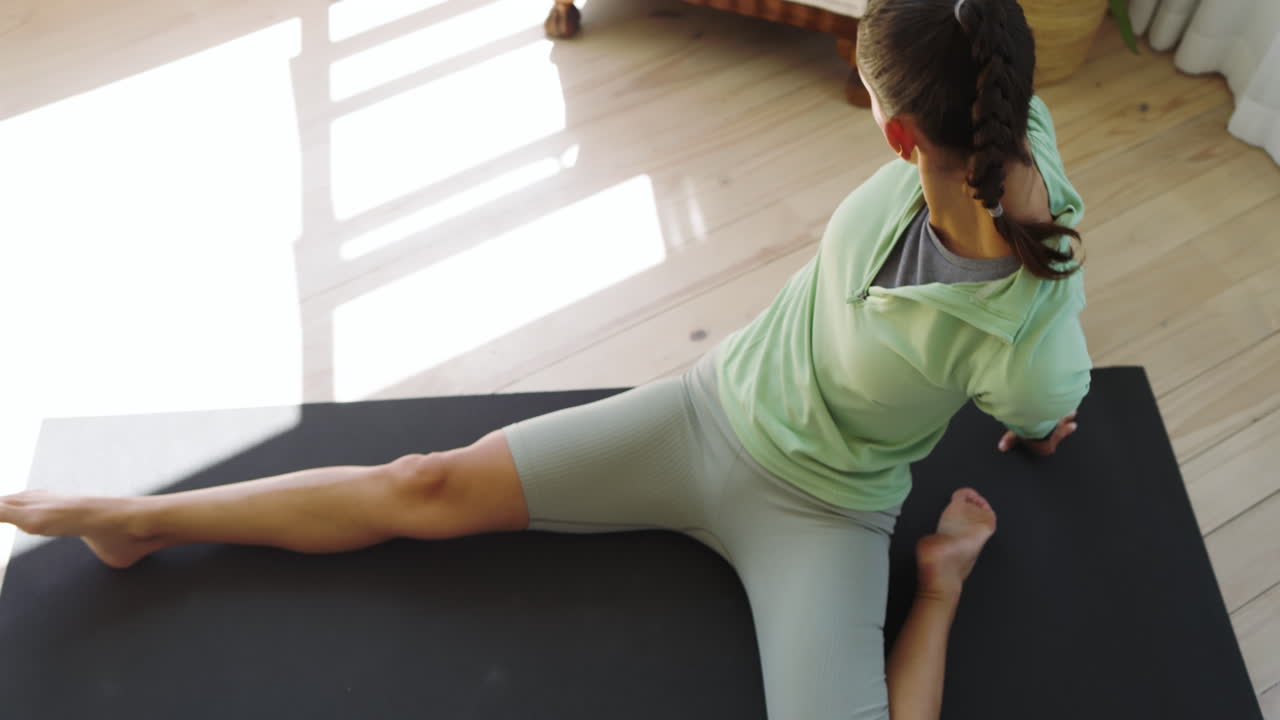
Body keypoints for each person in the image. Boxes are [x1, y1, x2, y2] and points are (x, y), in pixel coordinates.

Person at [0, 0, 1091, 718]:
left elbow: (1041, 397)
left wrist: (1014, 456)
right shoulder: (1008, 115)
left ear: (900, 138)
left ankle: (942, 585)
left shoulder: (1033, 337)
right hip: (701, 412)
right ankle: (137, 522)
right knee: (419, 481)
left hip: (823, 508)